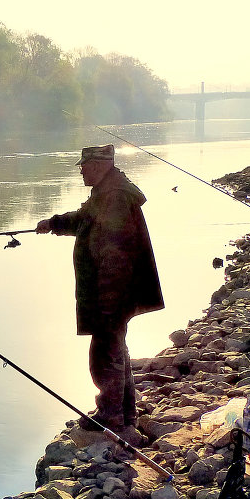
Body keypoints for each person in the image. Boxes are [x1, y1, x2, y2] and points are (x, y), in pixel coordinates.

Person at [36, 144, 164, 432]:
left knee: (104, 352)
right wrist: (53, 223)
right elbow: (83, 219)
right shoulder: (106, 191)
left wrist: (108, 301)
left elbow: (115, 255)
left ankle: (111, 415)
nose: (81, 169)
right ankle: (124, 413)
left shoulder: (115, 196)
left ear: (102, 165)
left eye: (86, 165)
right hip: (113, 293)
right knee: (114, 348)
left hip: (113, 292)